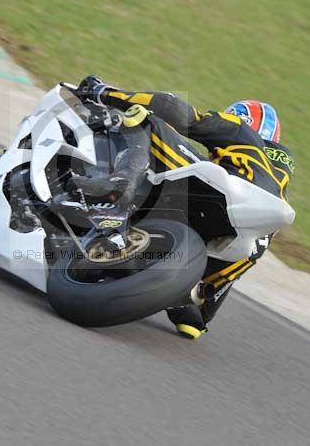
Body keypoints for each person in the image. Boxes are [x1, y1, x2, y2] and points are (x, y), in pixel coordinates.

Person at [72, 75, 295, 340]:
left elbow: (176, 109)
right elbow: (197, 319)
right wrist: (195, 305)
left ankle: (118, 192)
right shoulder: (274, 200)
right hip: (210, 273)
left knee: (143, 118)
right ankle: (168, 281)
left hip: (219, 192)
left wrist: (104, 93)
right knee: (194, 316)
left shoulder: (240, 133)